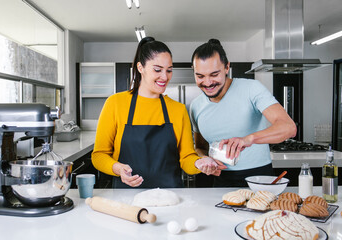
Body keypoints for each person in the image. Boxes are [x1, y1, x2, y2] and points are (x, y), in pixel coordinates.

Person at [91, 37, 222, 188]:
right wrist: (118, 169)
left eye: (169, 70)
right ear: (141, 68)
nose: (165, 77)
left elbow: (186, 157)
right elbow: (99, 156)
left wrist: (199, 163)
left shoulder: (178, 110)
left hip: (170, 196)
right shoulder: (115, 103)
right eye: (157, 70)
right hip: (126, 197)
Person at [190, 39, 297, 187]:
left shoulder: (251, 89)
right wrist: (204, 159)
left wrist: (249, 139)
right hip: (220, 180)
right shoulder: (196, 106)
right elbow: (201, 147)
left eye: (214, 74)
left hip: (259, 178)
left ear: (227, 67)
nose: (208, 83)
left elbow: (288, 127)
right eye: (200, 76)